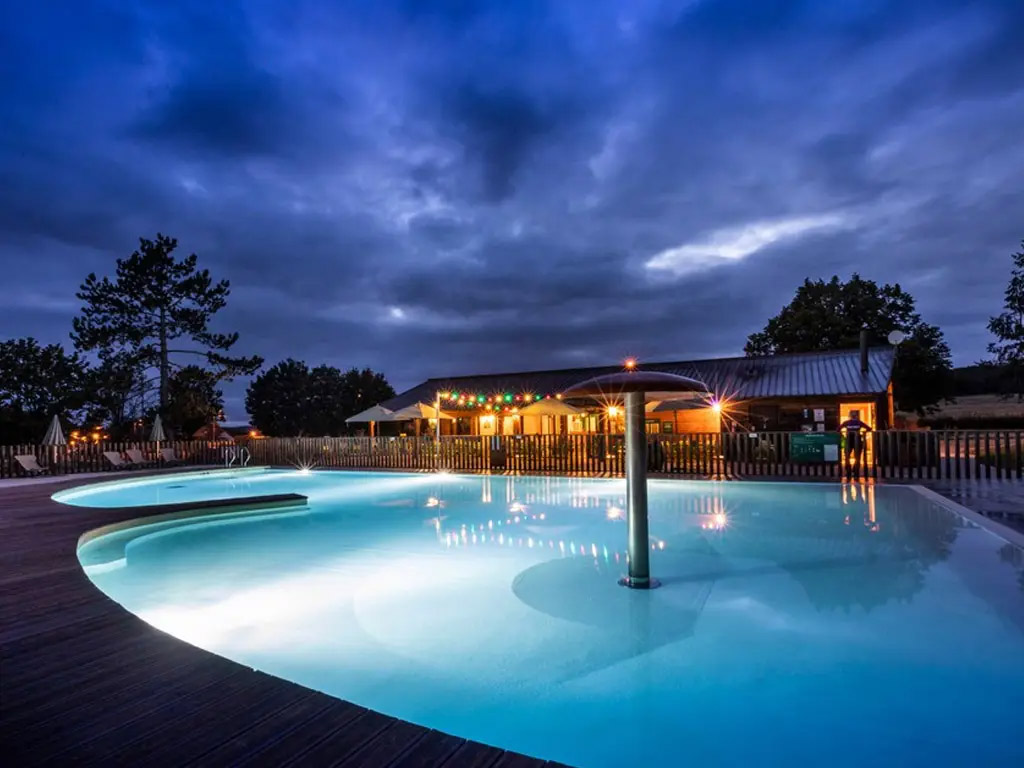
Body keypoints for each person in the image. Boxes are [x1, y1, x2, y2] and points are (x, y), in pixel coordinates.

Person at [839, 410, 872, 477]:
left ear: (850, 416)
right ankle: (855, 470)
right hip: (857, 440)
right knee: (858, 456)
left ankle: (848, 471)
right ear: (856, 416)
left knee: (847, 456)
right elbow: (869, 428)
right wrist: (863, 434)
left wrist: (842, 435)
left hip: (849, 441)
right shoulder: (859, 422)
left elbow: (838, 429)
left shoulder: (846, 422)